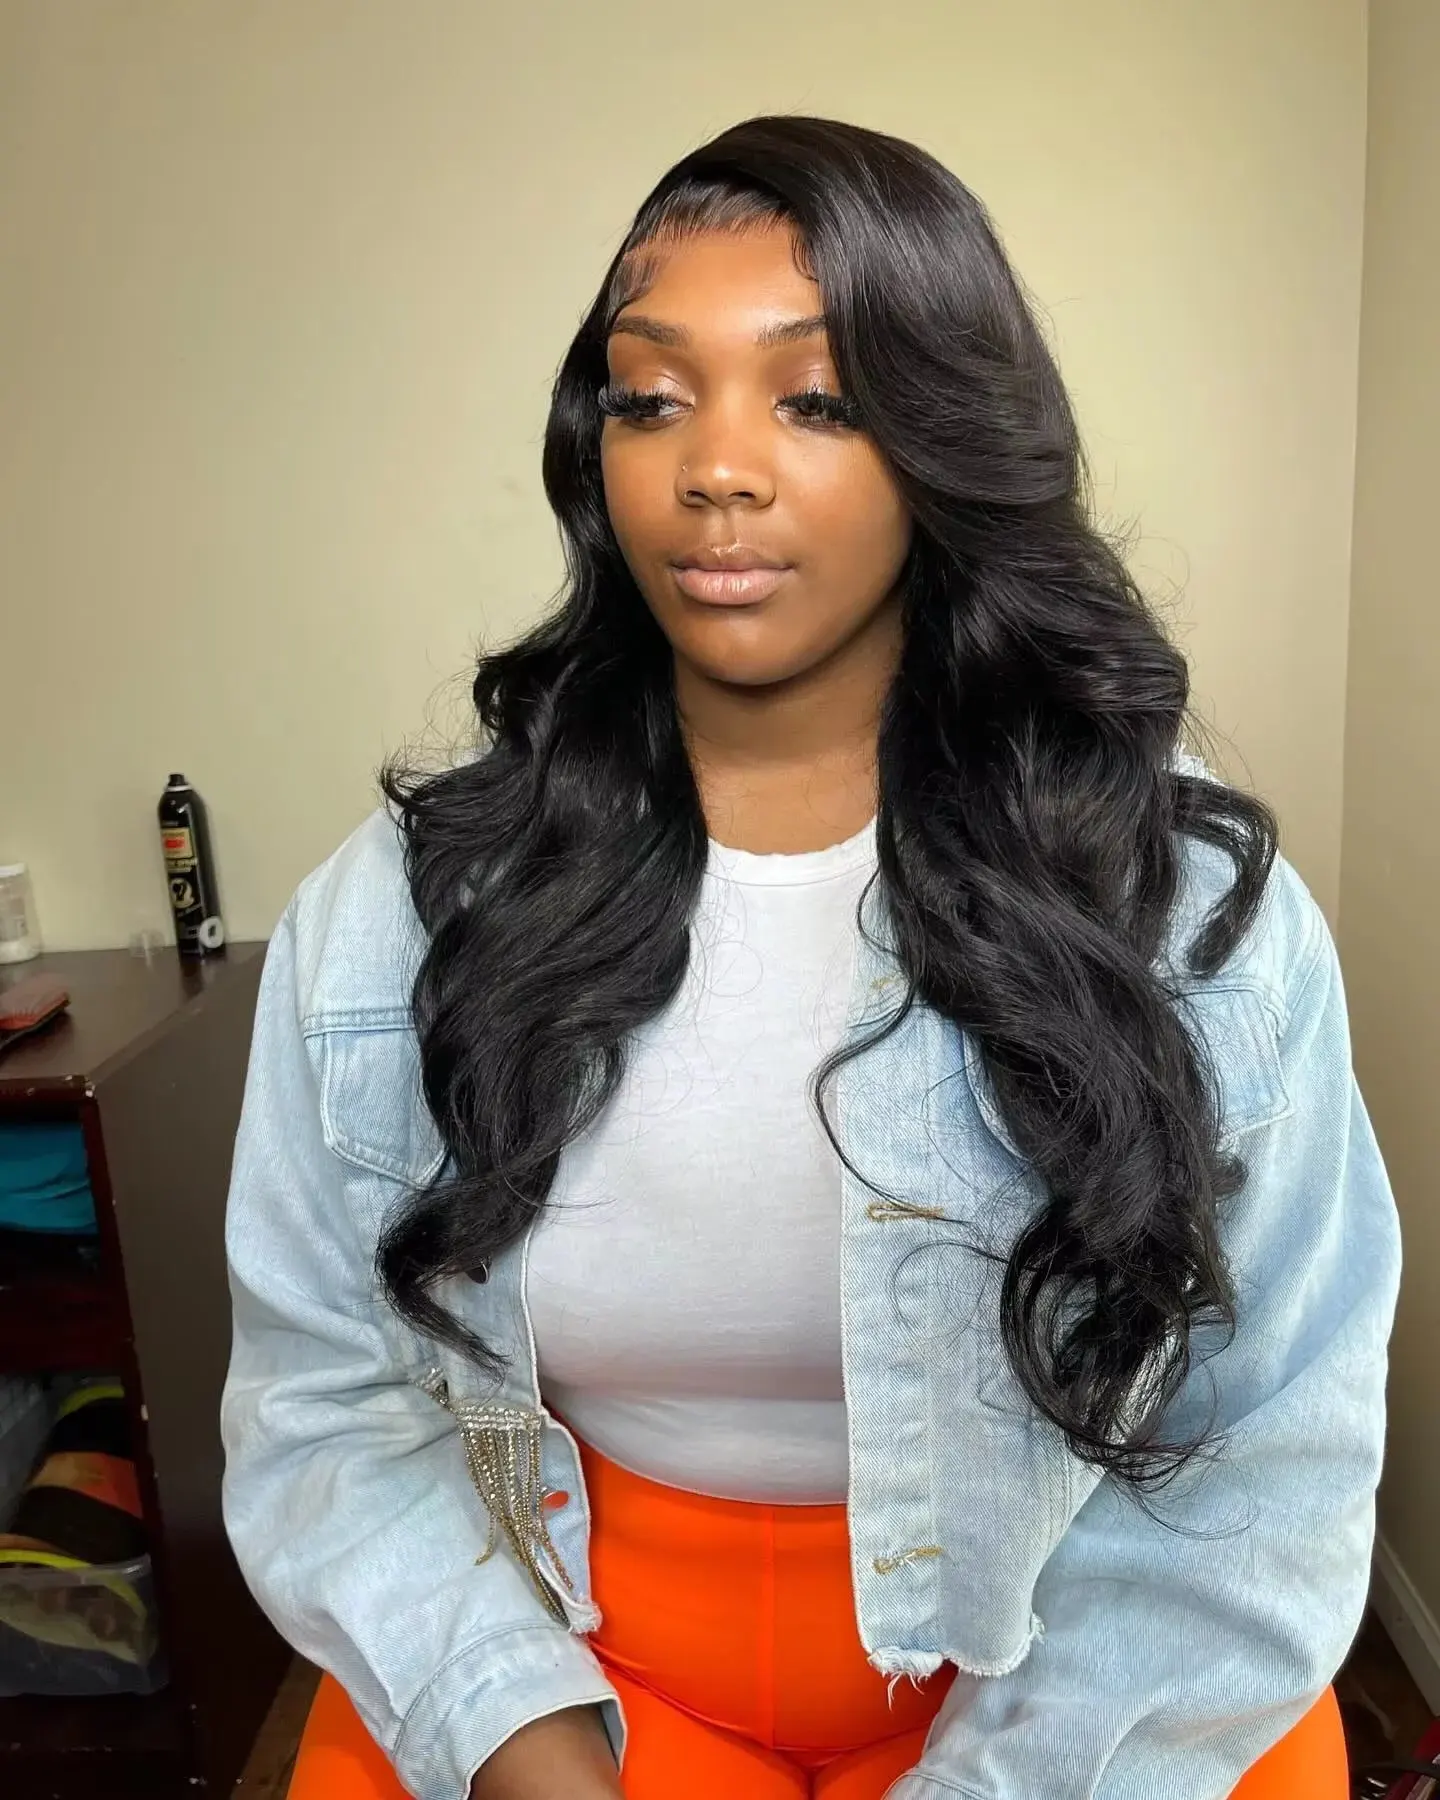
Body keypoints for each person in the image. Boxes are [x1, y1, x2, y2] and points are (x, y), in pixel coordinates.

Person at [220, 115, 1401, 1800]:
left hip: (1093, 1669)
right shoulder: (406, 910)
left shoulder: (1187, 911)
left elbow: (1266, 1452)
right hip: (577, 1668)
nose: (716, 468)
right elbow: (325, 1407)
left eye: (817, 401)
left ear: (944, 440)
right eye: (651, 397)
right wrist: (520, 1743)